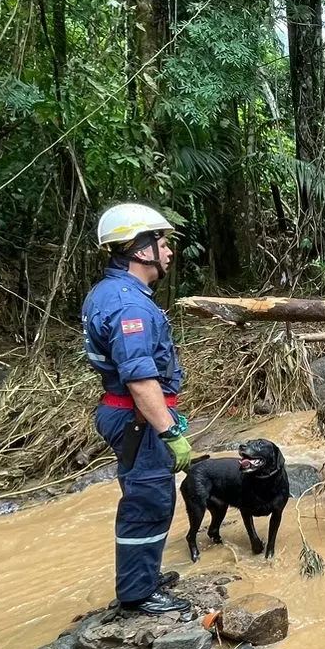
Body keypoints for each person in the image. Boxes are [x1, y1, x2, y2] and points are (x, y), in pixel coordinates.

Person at [83, 203, 194, 615]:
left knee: (146, 494)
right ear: (139, 248)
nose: (168, 251)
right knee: (148, 500)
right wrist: (170, 433)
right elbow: (140, 380)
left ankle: (144, 577)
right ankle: (137, 595)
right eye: (162, 242)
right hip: (137, 419)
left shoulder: (110, 293)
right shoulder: (130, 306)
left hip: (131, 416)